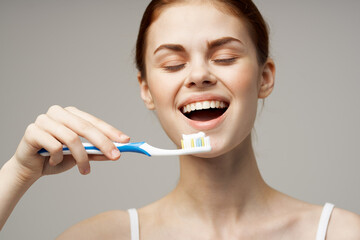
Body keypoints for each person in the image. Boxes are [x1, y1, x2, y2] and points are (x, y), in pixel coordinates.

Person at [1, 0, 359, 239]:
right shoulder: (102, 237)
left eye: (225, 57)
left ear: (264, 78)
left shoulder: (341, 232)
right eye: (173, 64)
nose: (198, 74)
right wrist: (17, 174)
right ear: (146, 90)